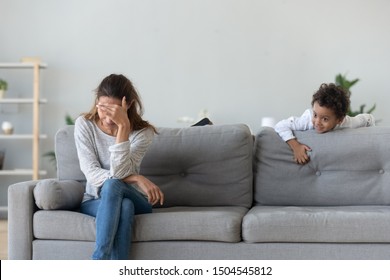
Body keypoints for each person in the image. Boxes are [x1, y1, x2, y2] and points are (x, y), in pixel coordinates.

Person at [74, 74, 164, 260]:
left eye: (113, 111)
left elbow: (118, 174)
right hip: (94, 199)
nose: (107, 119)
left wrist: (123, 127)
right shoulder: (84, 125)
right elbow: (92, 174)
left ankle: (99, 260)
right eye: (103, 109)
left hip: (136, 197)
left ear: (128, 105)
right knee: (124, 205)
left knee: (114, 185)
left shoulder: (142, 133)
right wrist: (136, 178)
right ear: (96, 102)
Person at [274, 83, 375, 165]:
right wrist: (296, 147)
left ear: (339, 120)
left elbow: (369, 119)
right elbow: (280, 125)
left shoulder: (348, 122)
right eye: (315, 114)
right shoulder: (307, 120)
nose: (317, 122)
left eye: (325, 119)